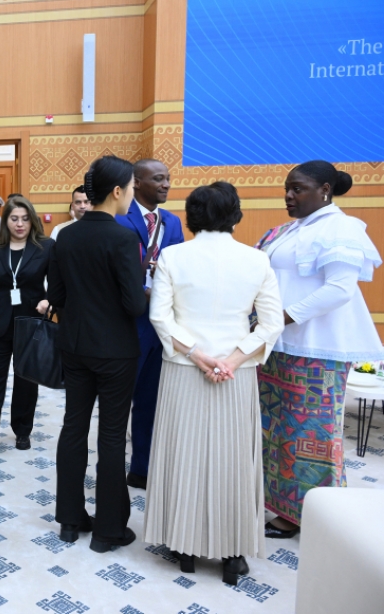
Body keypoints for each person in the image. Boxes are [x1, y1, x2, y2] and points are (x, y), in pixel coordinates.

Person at [143, 182, 284, 586]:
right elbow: (272, 323)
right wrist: (233, 360)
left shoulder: (173, 256)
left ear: (191, 216)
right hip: (235, 373)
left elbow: (160, 316)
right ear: (235, 215)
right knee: (234, 460)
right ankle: (233, 555)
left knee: (183, 454)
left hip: (185, 368)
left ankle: (184, 547)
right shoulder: (257, 259)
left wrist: (197, 355)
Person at [256, 160, 384, 539]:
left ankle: (311, 514)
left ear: (325, 190)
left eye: (297, 189)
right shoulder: (288, 229)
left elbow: (339, 289)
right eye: (287, 188)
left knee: (310, 436)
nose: (288, 195)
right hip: (279, 346)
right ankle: (280, 503)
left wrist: (282, 317)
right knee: (277, 430)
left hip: (316, 351)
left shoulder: (341, 228)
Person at [48, 155, 146, 553]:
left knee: (74, 427)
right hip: (115, 351)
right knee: (111, 435)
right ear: (117, 191)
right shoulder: (123, 238)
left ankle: (70, 520)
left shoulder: (66, 236)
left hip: (74, 346)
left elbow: (56, 295)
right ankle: (108, 530)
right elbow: (134, 305)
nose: (133, 195)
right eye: (132, 188)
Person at [115, 158, 185, 490]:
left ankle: (141, 468)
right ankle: (111, 472)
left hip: (161, 324)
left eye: (167, 178)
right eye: (158, 178)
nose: (166, 184)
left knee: (150, 401)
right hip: (127, 321)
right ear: (137, 183)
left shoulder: (172, 222)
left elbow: (181, 267)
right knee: (118, 401)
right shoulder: (119, 218)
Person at [0, 195, 51, 453]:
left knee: (26, 380)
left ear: (32, 221)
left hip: (31, 320)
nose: (19, 224)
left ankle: (22, 431)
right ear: (6, 221)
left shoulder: (46, 246)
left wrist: (49, 301)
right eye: (14, 219)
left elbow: (59, 283)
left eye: (25, 219)